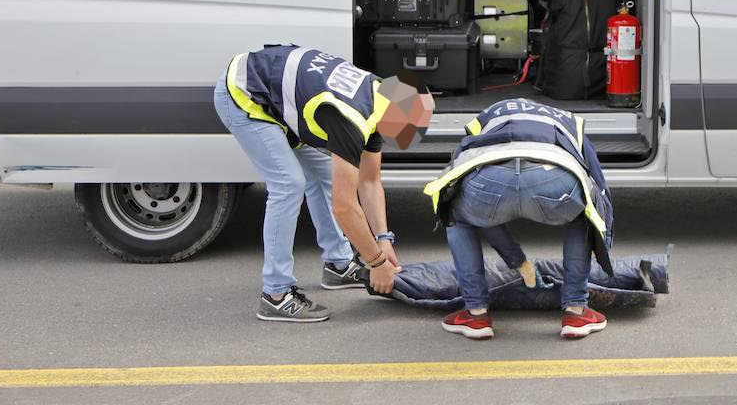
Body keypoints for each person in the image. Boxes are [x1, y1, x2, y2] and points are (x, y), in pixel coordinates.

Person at [214, 45, 433, 322]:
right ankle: (276, 294)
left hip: (274, 93)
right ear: (394, 120)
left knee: (327, 175)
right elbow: (344, 206)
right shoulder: (351, 118)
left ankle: (338, 264)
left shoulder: (380, 99)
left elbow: (369, 181)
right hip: (243, 92)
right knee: (289, 184)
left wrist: (383, 239)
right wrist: (376, 262)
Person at [423, 98, 615, 340]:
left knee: (457, 212)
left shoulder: (486, 116)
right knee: (582, 213)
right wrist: (603, 240)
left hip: (489, 183)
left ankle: (476, 314)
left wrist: (518, 260)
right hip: (553, 179)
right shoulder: (568, 119)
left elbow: (463, 165)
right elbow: (598, 183)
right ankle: (576, 312)